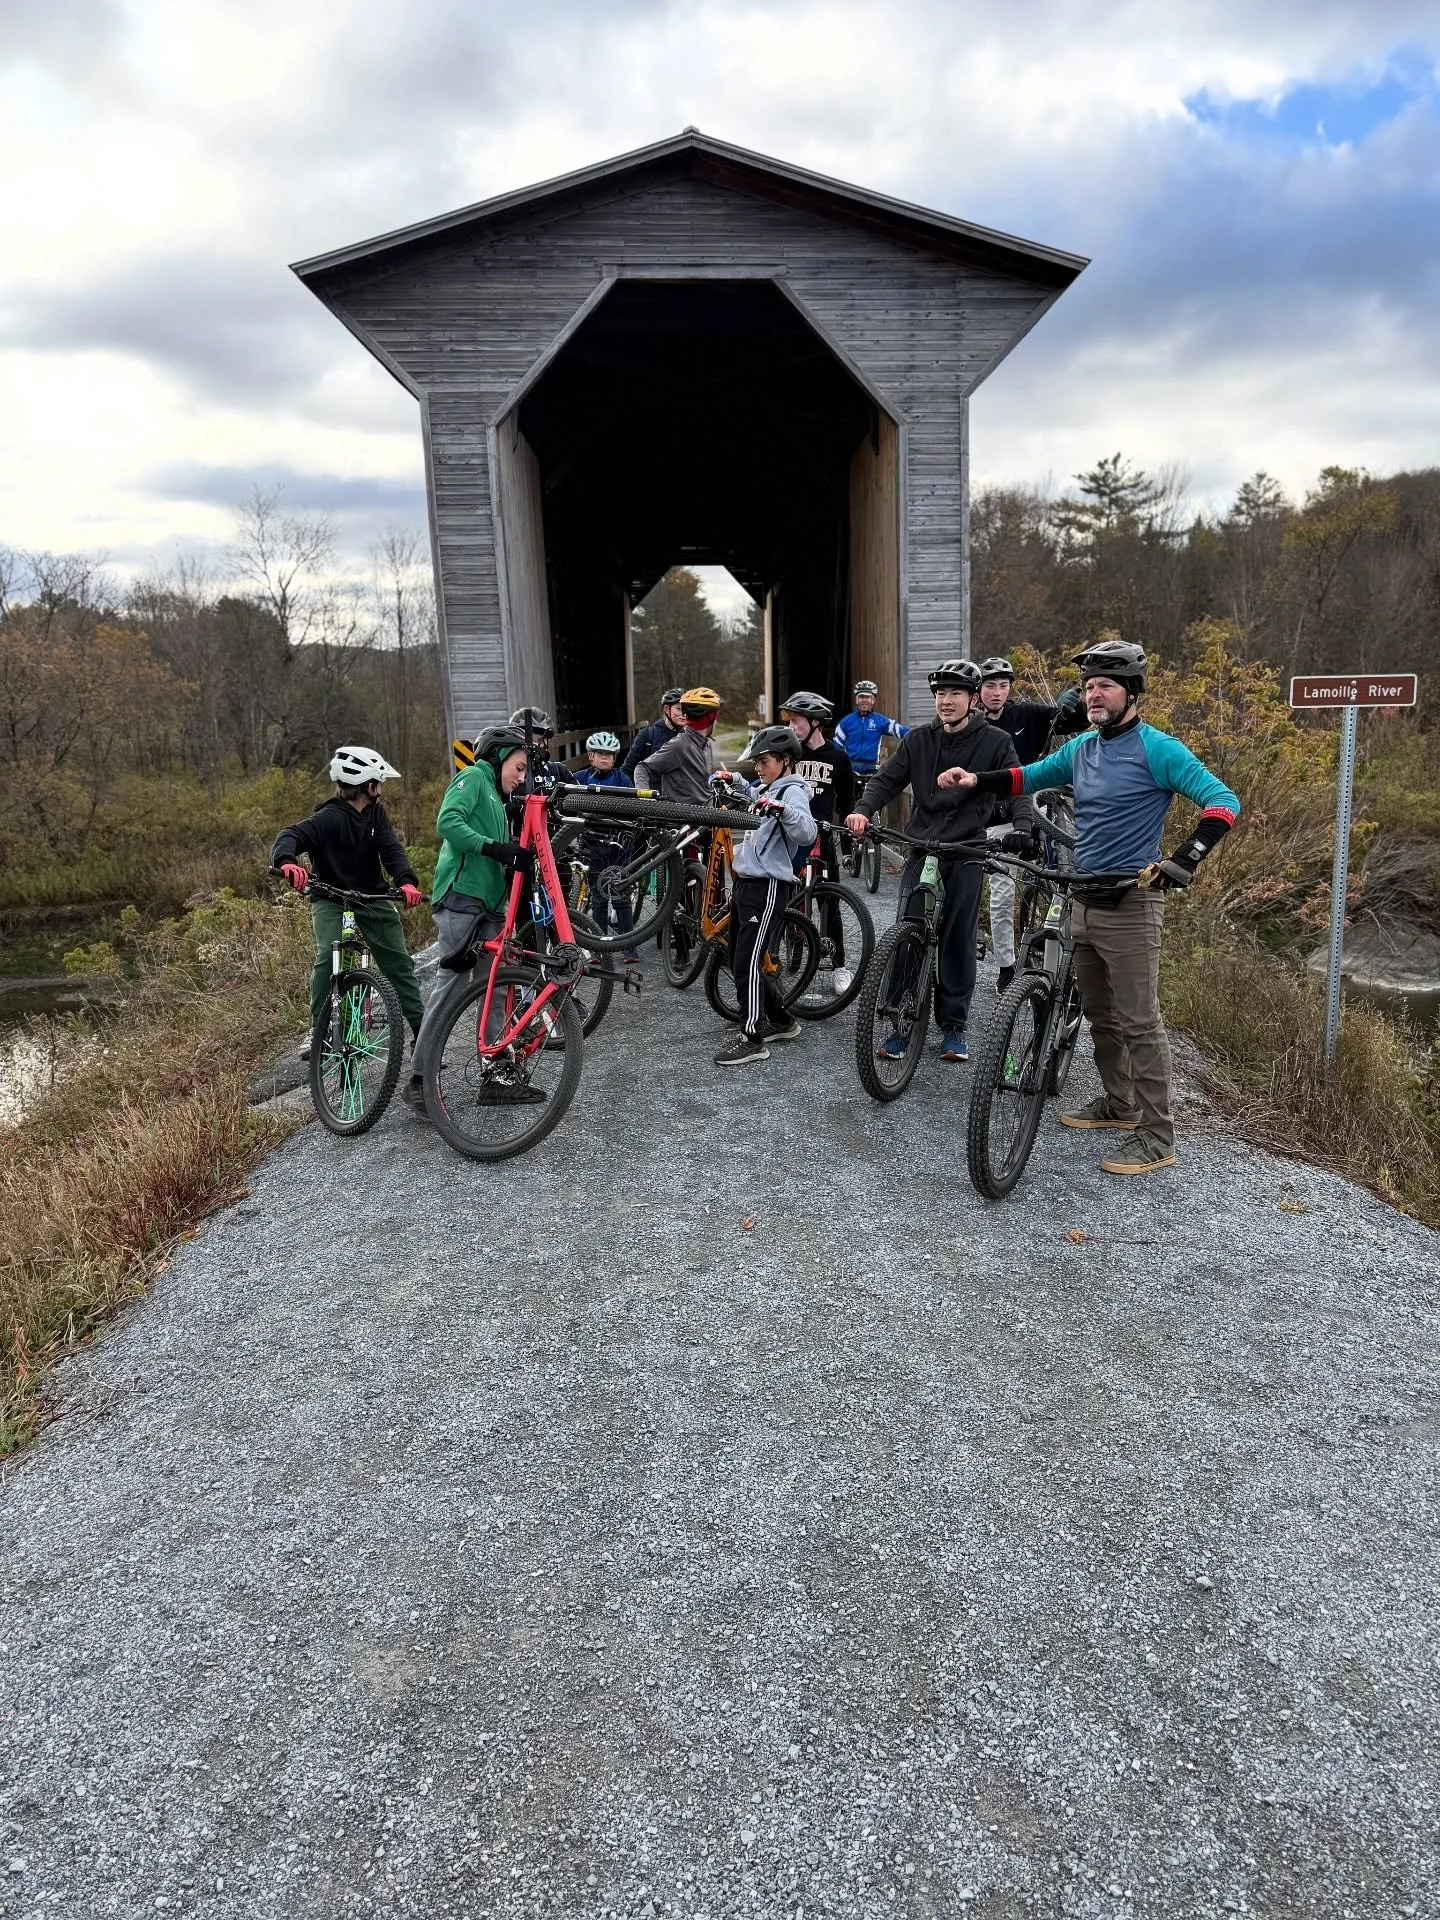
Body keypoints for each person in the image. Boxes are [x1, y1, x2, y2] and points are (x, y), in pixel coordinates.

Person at [941, 637, 1241, 1175]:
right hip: (1085, 895)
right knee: (1099, 1012)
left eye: (1104, 685)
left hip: (1132, 903)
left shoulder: (1159, 749)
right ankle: (1119, 1104)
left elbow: (1223, 802)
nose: (1092, 695)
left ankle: (1157, 1135)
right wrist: (974, 779)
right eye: (1087, 687)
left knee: (1140, 1021)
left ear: (1131, 693)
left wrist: (1185, 859)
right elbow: (1029, 777)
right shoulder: (1083, 749)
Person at [843, 660, 1033, 1064]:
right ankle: (899, 1022)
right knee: (909, 931)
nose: (946, 701)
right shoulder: (919, 741)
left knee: (957, 937)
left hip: (966, 850)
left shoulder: (995, 741)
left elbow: (1016, 785)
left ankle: (953, 1027)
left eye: (956, 694)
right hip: (921, 845)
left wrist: (1023, 825)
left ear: (973, 698)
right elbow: (887, 779)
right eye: (940, 694)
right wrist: (863, 809)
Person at [404, 726, 538, 1112]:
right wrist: (494, 848)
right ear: (498, 758)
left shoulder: (498, 798)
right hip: (462, 897)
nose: (521, 776)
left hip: (490, 906)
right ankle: (419, 1079)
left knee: (494, 987)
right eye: (518, 766)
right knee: (451, 984)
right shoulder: (474, 777)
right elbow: (448, 822)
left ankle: (495, 1075)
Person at [271, 745, 426, 1062]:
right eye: (378, 783)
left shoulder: (375, 816)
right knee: (328, 955)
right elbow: (290, 835)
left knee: (400, 966)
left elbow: (391, 850)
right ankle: (320, 1031)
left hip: (372, 898)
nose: (381, 789)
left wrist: (406, 881)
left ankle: (425, 1038)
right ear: (369, 786)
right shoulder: (328, 817)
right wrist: (286, 861)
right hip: (330, 898)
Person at [976, 656, 1087, 992]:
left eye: (1003, 685)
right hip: (997, 822)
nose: (997, 692)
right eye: (990, 685)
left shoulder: (1028, 715)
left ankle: (1057, 956)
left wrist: (1074, 707)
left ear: (1010, 688)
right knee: (1001, 892)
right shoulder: (974, 725)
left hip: (1036, 814)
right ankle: (1007, 967)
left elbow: (1070, 724)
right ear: (978, 691)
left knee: (1060, 877)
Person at [714, 726, 816, 1067]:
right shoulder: (770, 787)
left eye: (764, 761)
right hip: (746, 883)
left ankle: (753, 1037)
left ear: (786, 760)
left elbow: (807, 830)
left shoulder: (794, 792)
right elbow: (754, 795)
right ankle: (783, 1022)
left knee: (747, 962)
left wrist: (782, 809)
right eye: (756, 762)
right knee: (736, 959)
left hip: (768, 885)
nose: (758, 767)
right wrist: (736, 782)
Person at [779, 689, 856, 994]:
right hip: (791, 839)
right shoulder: (789, 754)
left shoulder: (837, 757)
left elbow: (848, 802)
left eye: (796, 720)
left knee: (829, 902)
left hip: (822, 840)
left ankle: (839, 965)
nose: (792, 726)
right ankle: (782, 951)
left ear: (815, 722)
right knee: (786, 896)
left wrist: (849, 843)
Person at [572, 729, 639, 960]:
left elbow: (635, 810)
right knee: (599, 898)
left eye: (609, 755)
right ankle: (599, 949)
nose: (604, 758)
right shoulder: (580, 778)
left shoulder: (622, 779)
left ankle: (629, 947)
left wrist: (630, 831)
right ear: (590, 756)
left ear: (616, 758)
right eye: (599, 754)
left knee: (621, 896)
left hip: (619, 846)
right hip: (593, 845)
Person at [631, 685, 722, 805]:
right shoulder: (680, 744)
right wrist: (647, 801)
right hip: (684, 819)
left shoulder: (706, 744)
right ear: (710, 719)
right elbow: (642, 768)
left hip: (706, 816)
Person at [833, 679, 907, 779]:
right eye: (861, 697)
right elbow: (837, 748)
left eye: (867, 697)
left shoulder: (880, 721)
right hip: (850, 769)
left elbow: (900, 731)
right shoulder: (845, 722)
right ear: (856, 700)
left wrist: (919, 735)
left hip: (871, 770)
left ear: (873, 700)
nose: (864, 700)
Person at [622, 687, 686, 779]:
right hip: (649, 791)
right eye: (679, 709)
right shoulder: (647, 735)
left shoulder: (688, 738)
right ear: (667, 709)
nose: (684, 714)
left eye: (687, 710)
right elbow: (627, 770)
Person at [509, 706, 574, 788]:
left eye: (541, 741)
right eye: (533, 741)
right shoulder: (507, 776)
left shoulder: (558, 771)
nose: (539, 746)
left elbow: (580, 798)